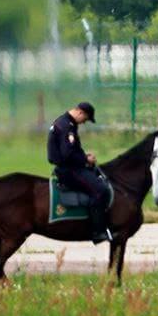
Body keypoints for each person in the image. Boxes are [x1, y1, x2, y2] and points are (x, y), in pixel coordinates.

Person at [46, 101, 111, 244]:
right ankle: (98, 231)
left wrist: (84, 157)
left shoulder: (65, 122)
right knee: (100, 190)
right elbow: (67, 154)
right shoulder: (66, 127)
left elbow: (71, 150)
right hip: (68, 170)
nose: (84, 122)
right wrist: (85, 160)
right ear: (80, 112)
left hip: (69, 167)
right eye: (86, 119)